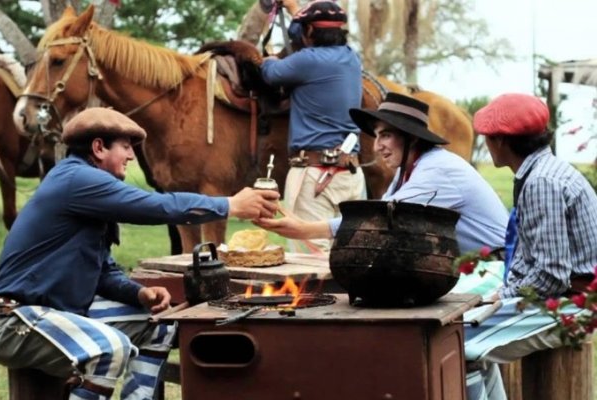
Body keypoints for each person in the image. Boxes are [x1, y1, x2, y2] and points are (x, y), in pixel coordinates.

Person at [0, 107, 279, 400]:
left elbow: (102, 271)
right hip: (15, 318)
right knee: (111, 347)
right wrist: (229, 205)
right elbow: (157, 206)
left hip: (53, 312)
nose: (132, 156)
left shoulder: (87, 188)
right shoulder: (77, 180)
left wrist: (138, 294)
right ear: (98, 147)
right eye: (126, 146)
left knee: (160, 325)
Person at [462, 93, 597, 400]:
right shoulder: (543, 171)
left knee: (456, 341)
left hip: (572, 306)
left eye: (488, 137)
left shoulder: (542, 182)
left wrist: (503, 295)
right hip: (567, 298)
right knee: (467, 337)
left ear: (502, 141)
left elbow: (551, 275)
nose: (486, 144)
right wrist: (498, 296)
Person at [256, 92, 509, 254]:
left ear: (410, 137)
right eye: (376, 136)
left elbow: (378, 221)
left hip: (494, 272)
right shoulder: (407, 172)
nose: (377, 146)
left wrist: (302, 229)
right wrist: (300, 226)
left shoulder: (436, 170)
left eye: (385, 135)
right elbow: (380, 212)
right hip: (471, 266)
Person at [260, 0, 366, 252]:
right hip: (350, 174)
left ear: (309, 31)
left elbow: (270, 74)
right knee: (350, 255)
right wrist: (292, 7)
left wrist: (267, 60)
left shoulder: (307, 60)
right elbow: (302, 31)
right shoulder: (352, 57)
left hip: (314, 176)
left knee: (311, 261)